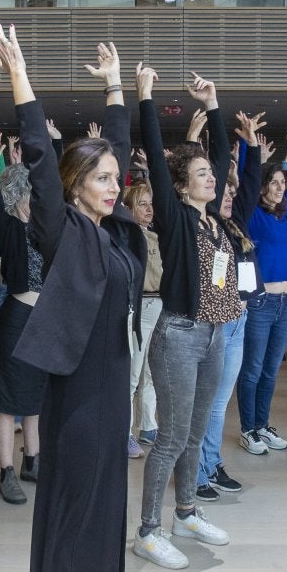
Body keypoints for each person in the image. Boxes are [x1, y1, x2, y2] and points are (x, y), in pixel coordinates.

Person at [0, 26, 145, 572]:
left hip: (113, 381)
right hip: (75, 389)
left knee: (109, 498)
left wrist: (115, 86)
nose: (115, 186)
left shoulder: (111, 233)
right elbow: (34, 152)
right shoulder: (60, 228)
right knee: (74, 496)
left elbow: (124, 147)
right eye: (103, 178)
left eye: (117, 178)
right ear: (77, 182)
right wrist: (19, 71)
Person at [133, 63, 237, 569]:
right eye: (200, 175)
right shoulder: (175, 218)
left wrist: (214, 104)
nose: (210, 177)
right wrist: (146, 98)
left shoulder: (214, 220)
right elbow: (157, 158)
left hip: (215, 335)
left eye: (210, 175)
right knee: (171, 438)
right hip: (178, 335)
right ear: (179, 186)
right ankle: (149, 530)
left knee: (195, 434)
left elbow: (222, 154)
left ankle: (187, 511)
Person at [0, 120, 46, 502]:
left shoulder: (42, 231)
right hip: (17, 318)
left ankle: (32, 460)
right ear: (20, 194)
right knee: (7, 398)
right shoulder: (6, 227)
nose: (38, 199)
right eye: (33, 193)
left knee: (35, 394)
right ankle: (6, 470)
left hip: (43, 320)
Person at [194, 116, 262, 498]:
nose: (230, 196)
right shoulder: (199, 225)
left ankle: (211, 463)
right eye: (222, 191)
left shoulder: (234, 226)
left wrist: (252, 146)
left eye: (229, 193)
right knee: (207, 405)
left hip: (238, 319)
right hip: (210, 324)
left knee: (219, 405)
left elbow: (250, 187)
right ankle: (198, 472)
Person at [236, 114, 287, 454]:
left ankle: (262, 425)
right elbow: (244, 178)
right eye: (275, 181)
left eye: (283, 182)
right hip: (260, 302)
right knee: (251, 370)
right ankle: (247, 429)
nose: (281, 186)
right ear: (262, 185)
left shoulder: (284, 213)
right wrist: (249, 143)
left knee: (270, 370)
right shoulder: (251, 212)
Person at [124, 178, 164, 455]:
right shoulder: (130, 236)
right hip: (141, 308)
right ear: (129, 208)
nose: (149, 209)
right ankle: (124, 432)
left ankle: (148, 425)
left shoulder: (156, 234)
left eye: (151, 204)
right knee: (132, 375)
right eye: (142, 204)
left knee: (152, 372)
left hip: (161, 305)